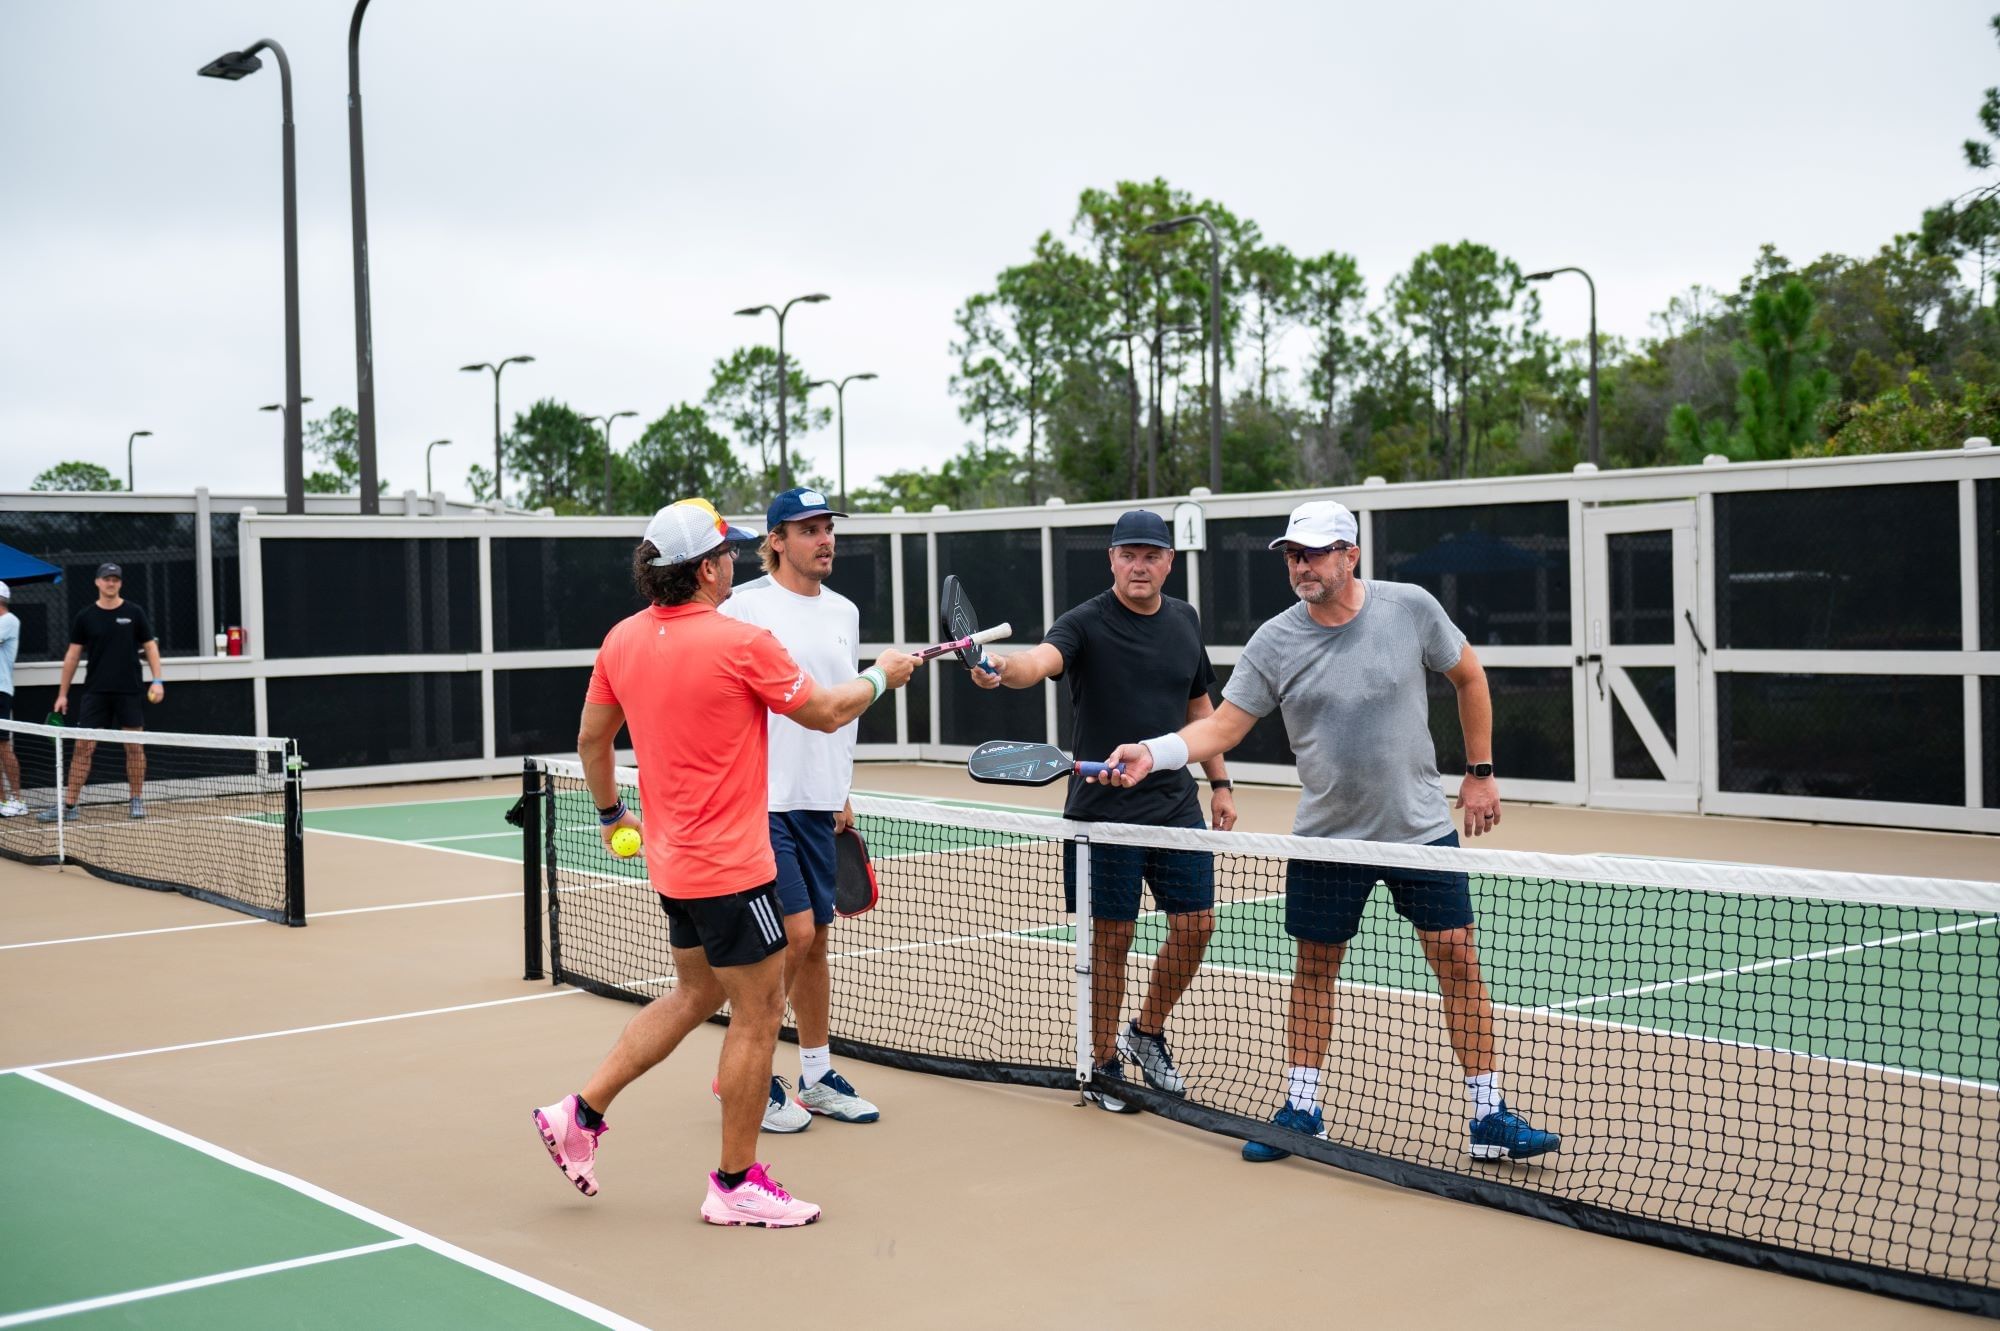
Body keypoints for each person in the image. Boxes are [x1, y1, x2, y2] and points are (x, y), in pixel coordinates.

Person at [1097, 499, 1560, 1163]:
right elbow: (1223, 727)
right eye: (1292, 553)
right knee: (1316, 968)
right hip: (1325, 840)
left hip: (1420, 831)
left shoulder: (1410, 607)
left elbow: (1469, 674)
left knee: (1457, 958)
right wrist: (1156, 749)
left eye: (1314, 552)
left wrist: (1481, 771)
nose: (1301, 565)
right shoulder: (1274, 641)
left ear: (1351, 553)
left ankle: (1489, 1116)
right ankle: (1301, 1110)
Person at [531, 498, 917, 1227]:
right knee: (760, 1010)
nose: (735, 561)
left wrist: (614, 814)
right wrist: (884, 675)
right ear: (705, 569)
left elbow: (591, 740)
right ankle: (735, 1182)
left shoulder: (620, 640)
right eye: (727, 553)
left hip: (671, 865)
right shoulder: (743, 639)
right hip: (736, 871)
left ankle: (578, 1112)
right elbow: (830, 711)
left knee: (693, 995)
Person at [973, 509, 1236, 1113]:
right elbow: (1036, 662)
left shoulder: (1185, 619)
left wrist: (1219, 782)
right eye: (1128, 554)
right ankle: (1101, 1064)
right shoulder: (1085, 623)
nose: (1139, 565)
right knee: (1109, 944)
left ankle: (1144, 1033)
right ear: (1112, 560)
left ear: (1169, 561)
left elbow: (1201, 706)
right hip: (1100, 818)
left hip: (1176, 808)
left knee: (1196, 928)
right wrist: (999, 668)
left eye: (1151, 555)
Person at [719, 486, 881, 1129]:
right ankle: (745, 1071)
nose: (825, 540)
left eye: (828, 528)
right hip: (759, 798)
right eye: (809, 529)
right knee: (797, 934)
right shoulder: (741, 605)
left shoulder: (845, 611)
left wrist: (838, 787)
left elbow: (838, 706)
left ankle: (816, 1074)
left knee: (817, 945)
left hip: (819, 800)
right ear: (776, 541)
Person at [42, 563, 166, 822]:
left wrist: (157, 681)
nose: (111, 583)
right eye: (107, 579)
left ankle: (136, 800)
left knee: (134, 748)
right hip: (95, 693)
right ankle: (70, 805)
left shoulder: (134, 613)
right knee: (83, 748)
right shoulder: (85, 617)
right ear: (97, 582)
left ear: (120, 583)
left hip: (129, 691)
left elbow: (150, 647)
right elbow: (72, 655)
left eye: (116, 579)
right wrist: (62, 694)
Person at [0, 581, 24, 817]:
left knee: (3, 746)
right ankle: (2, 801)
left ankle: (17, 800)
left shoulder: (9, 621)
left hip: (1, 691)